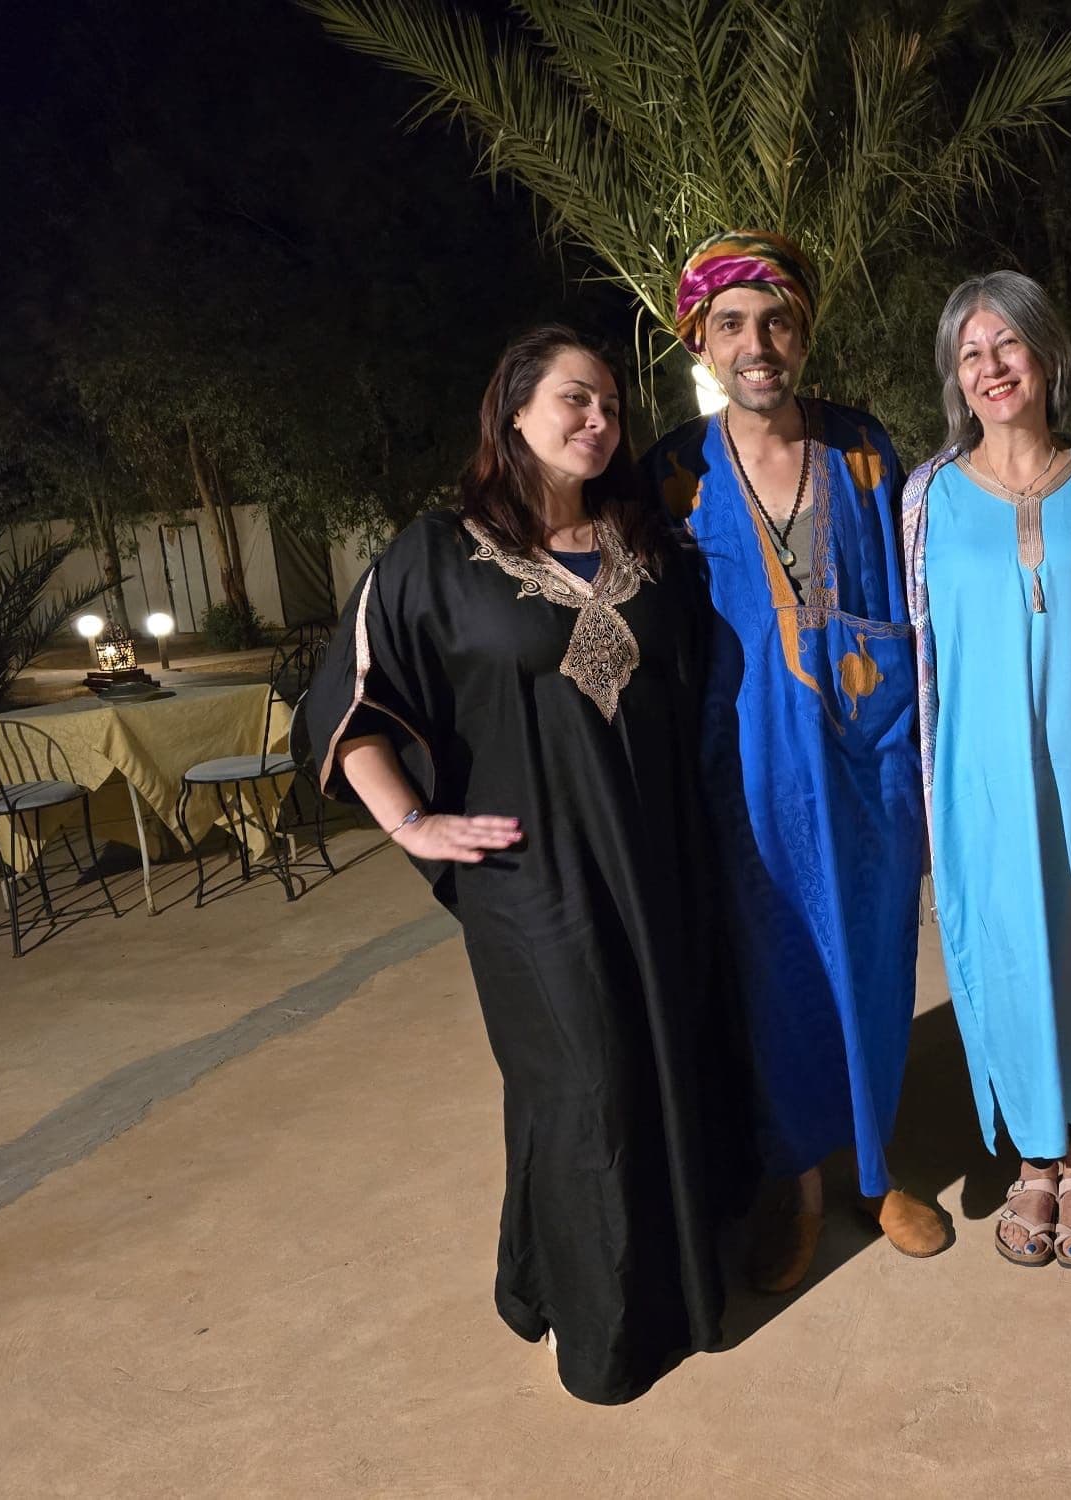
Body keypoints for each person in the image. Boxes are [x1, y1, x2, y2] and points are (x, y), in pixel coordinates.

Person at [300, 326, 748, 1403]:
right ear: (512, 414)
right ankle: (600, 1334)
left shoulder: (652, 546)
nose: (599, 421)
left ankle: (585, 1284)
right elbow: (346, 701)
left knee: (651, 1066)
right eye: (573, 401)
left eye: (609, 405)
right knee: (580, 1080)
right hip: (531, 877)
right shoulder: (437, 554)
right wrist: (410, 822)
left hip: (657, 863)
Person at [644, 230, 948, 1293]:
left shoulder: (863, 448)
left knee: (872, 972)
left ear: (802, 332)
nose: (755, 344)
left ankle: (877, 1175)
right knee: (776, 979)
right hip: (749, 776)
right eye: (731, 326)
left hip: (864, 765)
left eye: (774, 321)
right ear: (702, 342)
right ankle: (804, 1191)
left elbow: (914, 594)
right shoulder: (674, 475)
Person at [900, 271, 1071, 1270]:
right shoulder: (926, 499)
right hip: (979, 775)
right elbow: (914, 659)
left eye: (1006, 346)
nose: (990, 367)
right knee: (1009, 948)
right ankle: (1031, 1156)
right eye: (969, 354)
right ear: (953, 376)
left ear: (1046, 356)